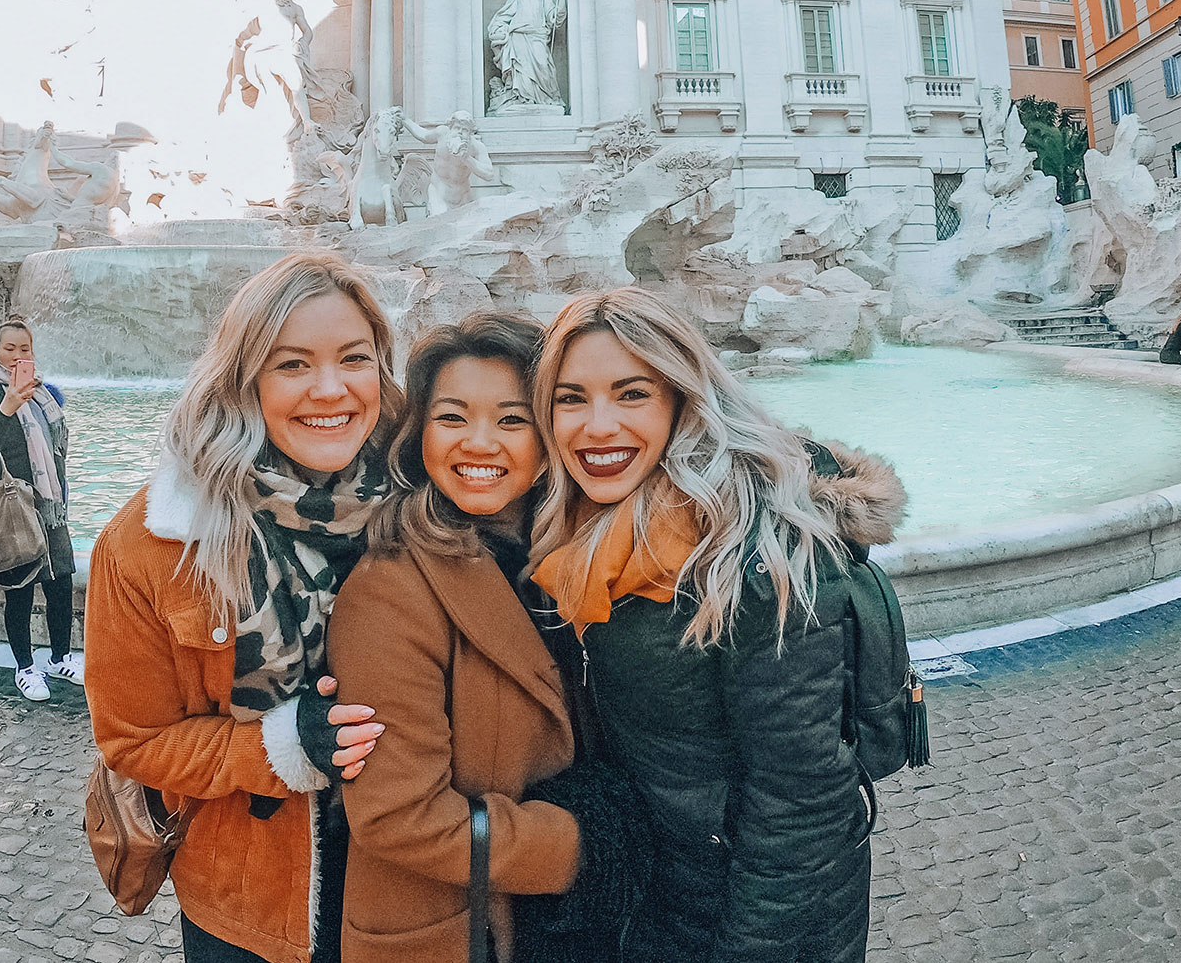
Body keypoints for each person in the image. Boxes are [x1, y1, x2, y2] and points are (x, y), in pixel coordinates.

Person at [528, 286, 907, 963]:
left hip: (753, 918)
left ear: (682, 400)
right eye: (571, 398)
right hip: (664, 894)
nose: (597, 426)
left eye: (632, 394)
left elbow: (804, 808)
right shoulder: (587, 531)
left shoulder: (760, 554)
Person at [84, 252, 401, 963]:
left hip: (416, 880)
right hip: (251, 904)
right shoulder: (153, 541)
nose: (331, 389)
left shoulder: (427, 503)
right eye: (292, 365)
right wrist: (282, 747)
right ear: (245, 379)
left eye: (353, 358)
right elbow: (132, 741)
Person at [330, 313, 604, 962]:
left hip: (556, 927)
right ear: (418, 432)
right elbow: (398, 816)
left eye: (512, 420)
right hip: (458, 931)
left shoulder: (578, 557)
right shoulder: (389, 587)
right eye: (452, 418)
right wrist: (588, 845)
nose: (480, 443)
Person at [0, 318, 80, 700]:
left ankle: (60, 657)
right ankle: (25, 668)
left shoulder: (43, 394)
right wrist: (7, 406)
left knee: (60, 585)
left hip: (49, 505)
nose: (17, 356)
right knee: (20, 590)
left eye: (24, 349)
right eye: (10, 349)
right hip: (10, 506)